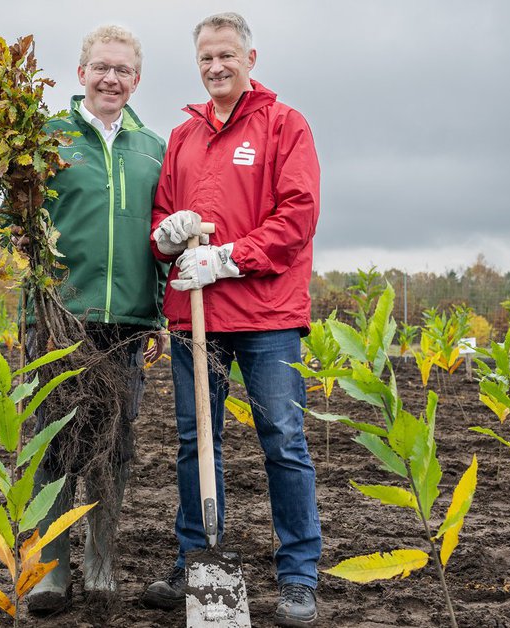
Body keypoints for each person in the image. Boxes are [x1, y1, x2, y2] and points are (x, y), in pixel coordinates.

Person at [141, 12, 322, 627]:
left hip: (267, 315)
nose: (215, 67)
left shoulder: (284, 125)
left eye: (226, 55)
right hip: (199, 318)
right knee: (198, 442)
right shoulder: (184, 136)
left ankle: (298, 574)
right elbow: (166, 213)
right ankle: (196, 558)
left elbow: (297, 217)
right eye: (205, 59)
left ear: (250, 57)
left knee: (284, 441)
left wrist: (227, 257)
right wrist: (165, 238)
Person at [24, 24, 169, 617]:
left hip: (126, 324)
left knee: (113, 448)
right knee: (54, 447)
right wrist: (36, 308)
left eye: (124, 70)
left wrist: (158, 313)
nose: (112, 78)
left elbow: (161, 238)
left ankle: (101, 562)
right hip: (61, 319)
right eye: (101, 67)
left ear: (137, 80)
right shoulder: (45, 141)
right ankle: (52, 573)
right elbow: (22, 232)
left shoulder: (155, 148)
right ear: (81, 72)